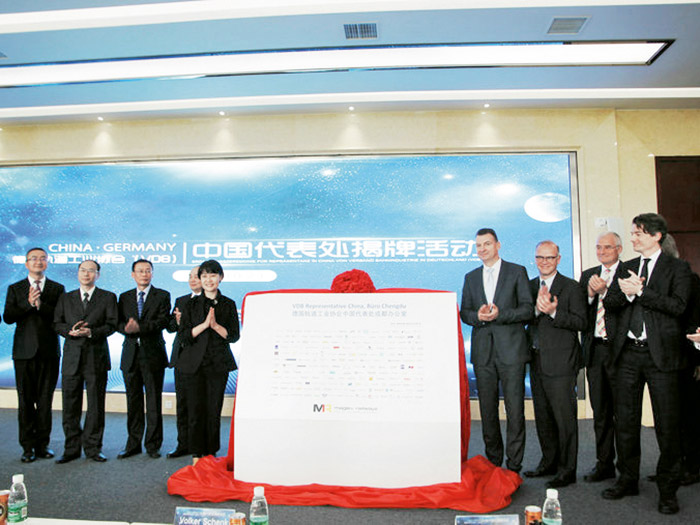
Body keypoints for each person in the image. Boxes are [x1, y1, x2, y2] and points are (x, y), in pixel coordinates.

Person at [601, 213, 691, 515]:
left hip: (661, 356)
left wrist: (640, 292)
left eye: (638, 233)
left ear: (656, 236)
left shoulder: (677, 268)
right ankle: (627, 479)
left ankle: (668, 490)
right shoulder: (626, 266)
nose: (633, 238)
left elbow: (678, 306)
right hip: (627, 354)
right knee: (625, 422)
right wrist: (627, 295)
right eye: (633, 233)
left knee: (667, 425)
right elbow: (610, 302)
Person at [460, 228, 533, 473]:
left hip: (512, 351)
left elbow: (527, 309)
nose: (482, 249)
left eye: (487, 244)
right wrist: (478, 316)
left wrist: (501, 315)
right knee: (487, 411)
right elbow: (465, 312)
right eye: (478, 245)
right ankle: (493, 463)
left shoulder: (516, 271)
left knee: (515, 410)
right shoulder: (471, 277)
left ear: (498, 245)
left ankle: (513, 466)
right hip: (483, 353)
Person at [525, 240, 587, 488]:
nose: (544, 262)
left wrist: (552, 311)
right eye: (540, 257)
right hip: (536, 359)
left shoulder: (571, 287)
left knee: (564, 419)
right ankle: (548, 463)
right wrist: (536, 310)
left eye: (549, 258)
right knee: (543, 416)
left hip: (562, 362)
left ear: (558, 259)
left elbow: (581, 322)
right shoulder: (529, 286)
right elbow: (523, 317)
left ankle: (567, 470)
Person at [3, 247, 65, 463]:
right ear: (26, 263)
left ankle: (42, 445)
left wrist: (41, 305)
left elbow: (60, 316)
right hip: (23, 353)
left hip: (49, 353)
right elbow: (8, 317)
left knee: (45, 401)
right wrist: (28, 304)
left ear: (47, 262)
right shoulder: (15, 288)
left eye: (42, 258)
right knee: (26, 401)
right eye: (34, 258)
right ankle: (27, 447)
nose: (38, 262)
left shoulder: (57, 288)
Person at [53, 259, 118, 463]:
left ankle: (93, 448)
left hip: (96, 358)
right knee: (70, 405)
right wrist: (69, 331)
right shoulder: (66, 297)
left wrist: (91, 332)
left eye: (91, 270)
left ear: (98, 274)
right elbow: (57, 323)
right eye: (83, 270)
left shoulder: (108, 297)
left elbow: (112, 324)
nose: (86, 274)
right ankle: (71, 448)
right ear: (78, 273)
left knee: (96, 405)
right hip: (72, 358)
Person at [177, 260, 239, 460]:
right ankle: (196, 454)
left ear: (221, 278)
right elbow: (184, 336)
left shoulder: (229, 304)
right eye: (204, 276)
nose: (208, 280)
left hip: (218, 364)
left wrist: (216, 326)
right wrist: (204, 325)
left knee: (213, 410)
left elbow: (234, 336)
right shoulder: (190, 304)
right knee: (195, 410)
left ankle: (211, 453)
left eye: (213, 275)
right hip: (193, 364)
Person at [579, 232, 624, 482]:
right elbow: (580, 311)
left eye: (607, 247)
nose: (602, 251)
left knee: (624, 413)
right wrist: (589, 294)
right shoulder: (589, 274)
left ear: (619, 249)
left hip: (620, 352)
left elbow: (626, 307)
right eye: (598, 247)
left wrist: (605, 291)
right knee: (601, 412)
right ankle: (604, 464)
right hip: (595, 351)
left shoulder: (628, 273)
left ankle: (626, 469)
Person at [116, 259, 171, 459]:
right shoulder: (124, 297)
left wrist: (139, 328)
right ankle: (133, 444)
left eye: (148, 271)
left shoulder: (162, 295)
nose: (144, 274)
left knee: (154, 401)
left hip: (153, 355)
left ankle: (153, 445)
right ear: (133, 274)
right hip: (130, 356)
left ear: (152, 274)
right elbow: (117, 322)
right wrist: (126, 329)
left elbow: (162, 321)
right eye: (140, 271)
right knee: (133, 402)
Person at [165, 265, 201, 459]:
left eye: (196, 276)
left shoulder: (210, 301)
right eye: (190, 276)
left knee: (197, 405)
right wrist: (178, 322)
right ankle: (182, 444)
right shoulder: (181, 300)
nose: (192, 279)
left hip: (199, 359)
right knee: (183, 404)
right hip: (181, 357)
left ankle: (197, 445)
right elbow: (171, 327)